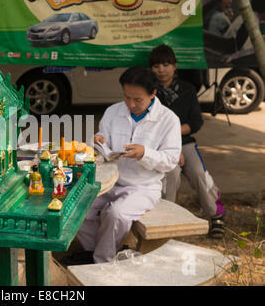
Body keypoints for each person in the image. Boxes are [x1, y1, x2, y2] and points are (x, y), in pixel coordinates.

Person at [76, 66, 182, 263]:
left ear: (153, 94)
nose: (131, 104)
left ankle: (102, 262)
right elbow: (103, 140)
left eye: (138, 99)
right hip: (110, 181)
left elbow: (170, 160)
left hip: (143, 187)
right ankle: (92, 252)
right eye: (126, 97)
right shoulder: (113, 111)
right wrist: (99, 141)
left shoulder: (169, 120)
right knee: (77, 208)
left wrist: (145, 153)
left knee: (115, 214)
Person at [149, 44, 226, 239]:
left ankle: (216, 214)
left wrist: (175, 137)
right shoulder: (149, 92)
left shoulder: (187, 90)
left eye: (166, 65)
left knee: (200, 175)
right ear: (151, 69)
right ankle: (167, 220)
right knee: (171, 174)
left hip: (185, 143)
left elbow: (196, 121)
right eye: (157, 66)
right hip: (159, 146)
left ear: (175, 66)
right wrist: (172, 147)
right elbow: (149, 126)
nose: (161, 70)